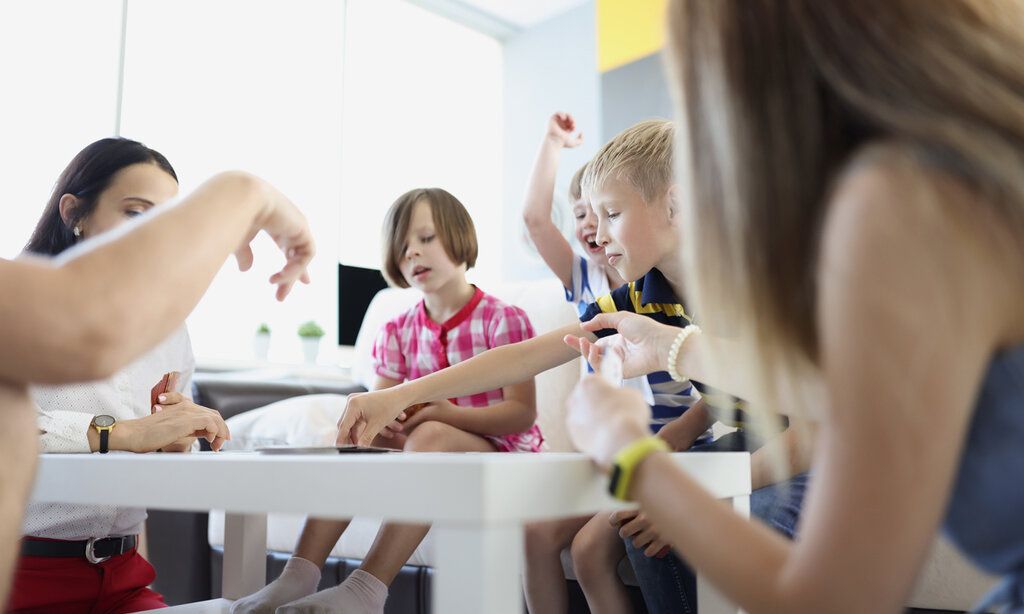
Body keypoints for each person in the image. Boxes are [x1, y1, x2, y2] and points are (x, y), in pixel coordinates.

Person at [562, 1, 1024, 612]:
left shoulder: (891, 204)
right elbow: (855, 393)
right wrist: (676, 348)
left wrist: (630, 454)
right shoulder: (962, 172)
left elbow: (828, 594)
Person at [336, 120, 804, 613]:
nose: (596, 236)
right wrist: (398, 394)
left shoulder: (757, 281)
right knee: (641, 527)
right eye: (592, 217)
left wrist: (700, 497)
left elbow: (818, 426)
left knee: (720, 522)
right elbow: (525, 356)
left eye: (612, 214)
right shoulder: (644, 297)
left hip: (811, 451)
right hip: (747, 444)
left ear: (675, 204)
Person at [0, 139, 314, 607]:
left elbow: (137, 482)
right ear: (74, 214)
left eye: (167, 222)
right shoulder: (27, 305)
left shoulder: (171, 332)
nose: (156, 238)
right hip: (25, 574)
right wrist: (119, 433)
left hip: (123, 576)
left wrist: (170, 435)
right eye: (135, 213)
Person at [231, 188, 541, 614]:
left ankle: (366, 592)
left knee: (430, 433)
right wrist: (388, 423)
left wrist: (447, 415)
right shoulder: (396, 328)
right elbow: (379, 405)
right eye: (403, 246)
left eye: (427, 238)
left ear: (460, 238)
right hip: (426, 447)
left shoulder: (503, 318)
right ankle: (297, 577)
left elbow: (522, 414)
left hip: (502, 452)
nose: (413, 252)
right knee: (357, 439)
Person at [521, 112, 624, 316]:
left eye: (599, 211)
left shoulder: (655, 275)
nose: (588, 222)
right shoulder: (584, 277)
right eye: (579, 215)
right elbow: (535, 220)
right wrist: (553, 140)